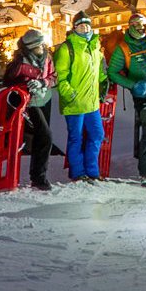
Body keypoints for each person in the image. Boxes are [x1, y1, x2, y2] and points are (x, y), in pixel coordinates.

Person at [107, 11, 146, 182]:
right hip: (141, 95)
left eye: (143, 25)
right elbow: (112, 72)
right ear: (131, 26)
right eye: (137, 25)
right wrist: (133, 85)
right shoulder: (123, 49)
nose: (141, 28)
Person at [54, 11, 107, 183]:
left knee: (97, 134)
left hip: (92, 103)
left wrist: (104, 83)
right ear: (74, 28)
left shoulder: (95, 45)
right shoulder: (66, 48)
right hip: (75, 103)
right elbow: (60, 76)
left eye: (87, 25)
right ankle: (78, 172)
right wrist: (70, 95)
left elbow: (98, 70)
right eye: (81, 25)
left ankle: (92, 170)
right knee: (76, 138)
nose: (85, 28)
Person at [1, 29, 56, 191]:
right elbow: (8, 81)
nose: (42, 47)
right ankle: (39, 178)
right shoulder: (20, 63)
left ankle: (37, 176)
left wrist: (43, 82)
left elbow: (54, 77)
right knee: (46, 136)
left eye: (42, 43)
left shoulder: (47, 57)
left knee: (41, 138)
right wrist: (26, 85)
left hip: (45, 99)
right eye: (38, 45)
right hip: (30, 103)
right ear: (31, 47)